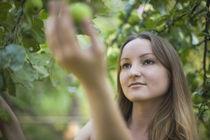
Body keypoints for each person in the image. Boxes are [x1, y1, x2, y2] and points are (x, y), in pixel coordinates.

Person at [45, 1, 199, 140]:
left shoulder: (179, 136)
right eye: (126, 65)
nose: (133, 73)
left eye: (147, 61)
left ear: (171, 74)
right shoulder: (97, 125)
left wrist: (93, 81)